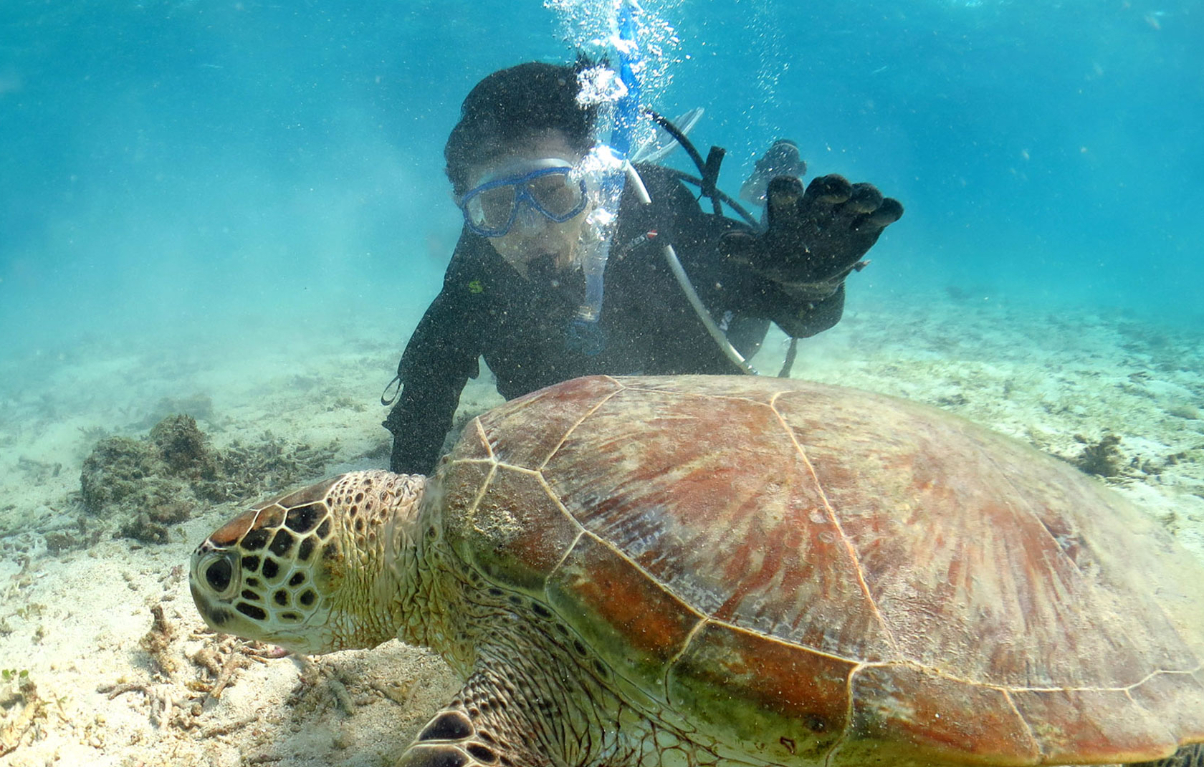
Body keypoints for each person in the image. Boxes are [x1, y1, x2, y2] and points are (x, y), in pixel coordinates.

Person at [382, 60, 903, 475]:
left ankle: (771, 184)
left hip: (715, 351)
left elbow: (794, 313)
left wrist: (813, 284)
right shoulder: (478, 266)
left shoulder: (654, 215)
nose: (531, 227)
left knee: (774, 248)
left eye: (554, 192)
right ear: (465, 205)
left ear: (593, 178)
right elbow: (430, 384)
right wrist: (406, 489)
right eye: (496, 208)